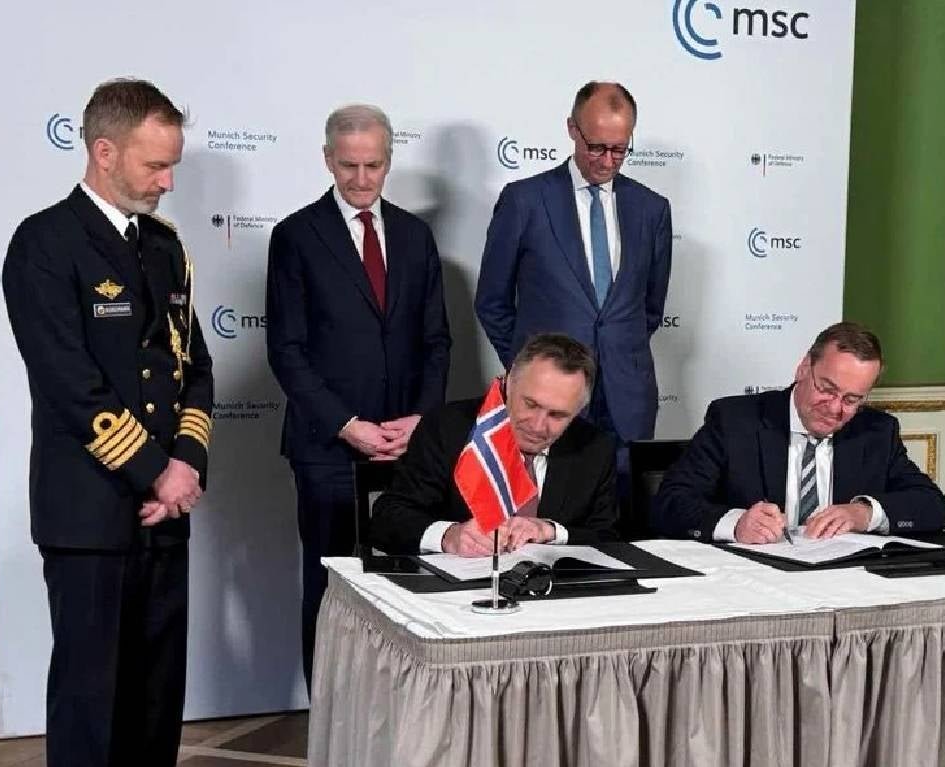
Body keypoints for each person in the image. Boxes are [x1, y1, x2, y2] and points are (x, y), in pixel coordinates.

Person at [1, 78, 213, 767]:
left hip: (165, 509)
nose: (168, 182)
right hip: (90, 512)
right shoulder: (45, 244)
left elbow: (194, 367)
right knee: (90, 696)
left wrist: (186, 465)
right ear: (104, 151)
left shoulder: (164, 247)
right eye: (156, 166)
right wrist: (155, 473)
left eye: (172, 164)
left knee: (157, 691)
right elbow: (70, 385)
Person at [265, 103, 451, 686]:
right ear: (328, 160)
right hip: (328, 450)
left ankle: (396, 717)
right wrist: (347, 424)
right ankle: (328, 720)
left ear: (388, 161)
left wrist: (420, 421)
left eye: (373, 165)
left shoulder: (416, 236)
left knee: (405, 584)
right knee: (330, 589)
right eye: (349, 165)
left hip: (407, 449)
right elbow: (286, 350)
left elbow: (437, 341)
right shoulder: (296, 236)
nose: (362, 179)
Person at [474, 81, 673, 454]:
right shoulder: (525, 200)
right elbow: (491, 302)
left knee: (623, 490)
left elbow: (650, 307)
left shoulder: (652, 209)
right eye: (596, 147)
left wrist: (615, 352)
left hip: (627, 399)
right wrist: (532, 368)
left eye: (619, 149)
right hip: (547, 400)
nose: (607, 161)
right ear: (572, 129)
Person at [652, 322, 945, 542]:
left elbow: (932, 506)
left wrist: (862, 513)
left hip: (843, 583)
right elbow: (670, 504)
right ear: (804, 368)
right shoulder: (735, 421)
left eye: (851, 399)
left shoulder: (876, 432)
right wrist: (737, 523)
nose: (835, 408)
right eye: (827, 389)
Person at [370, 333, 619, 555]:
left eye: (557, 415)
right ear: (507, 382)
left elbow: (609, 538)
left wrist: (551, 531)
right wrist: (448, 536)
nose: (537, 425)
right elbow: (388, 518)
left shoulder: (595, 448)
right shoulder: (447, 428)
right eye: (530, 404)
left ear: (578, 411)